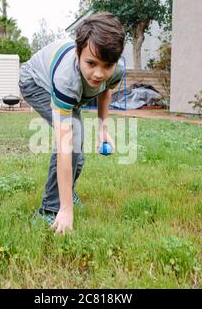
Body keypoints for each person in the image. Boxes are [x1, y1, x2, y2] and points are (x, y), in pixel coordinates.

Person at [18, 12, 126, 235]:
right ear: (78, 54)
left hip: (68, 90)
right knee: (73, 139)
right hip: (35, 82)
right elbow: (65, 147)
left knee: (77, 142)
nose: (99, 73)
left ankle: (66, 192)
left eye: (107, 65)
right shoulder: (67, 79)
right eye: (91, 63)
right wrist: (66, 210)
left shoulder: (116, 71)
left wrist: (102, 129)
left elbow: (105, 91)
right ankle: (50, 209)